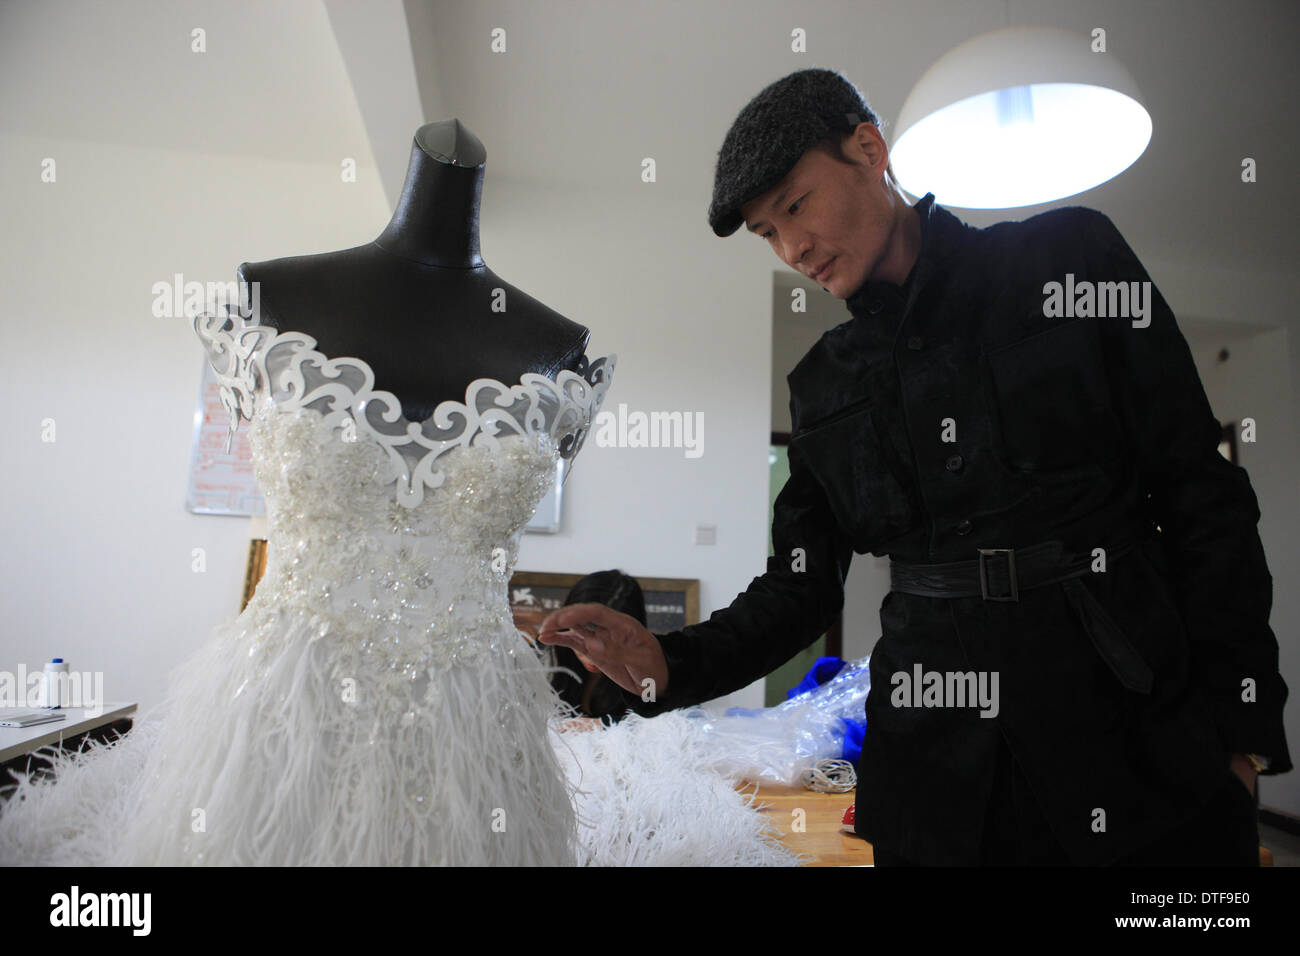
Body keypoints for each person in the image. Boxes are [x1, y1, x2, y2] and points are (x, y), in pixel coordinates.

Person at [540, 68, 1291, 866]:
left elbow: (1201, 491)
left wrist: (1243, 730)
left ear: (870, 149)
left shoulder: (1068, 258)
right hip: (937, 780)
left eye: (795, 205)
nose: (792, 248)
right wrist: (666, 664)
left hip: (1136, 736)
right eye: (767, 233)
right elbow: (800, 586)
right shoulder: (824, 383)